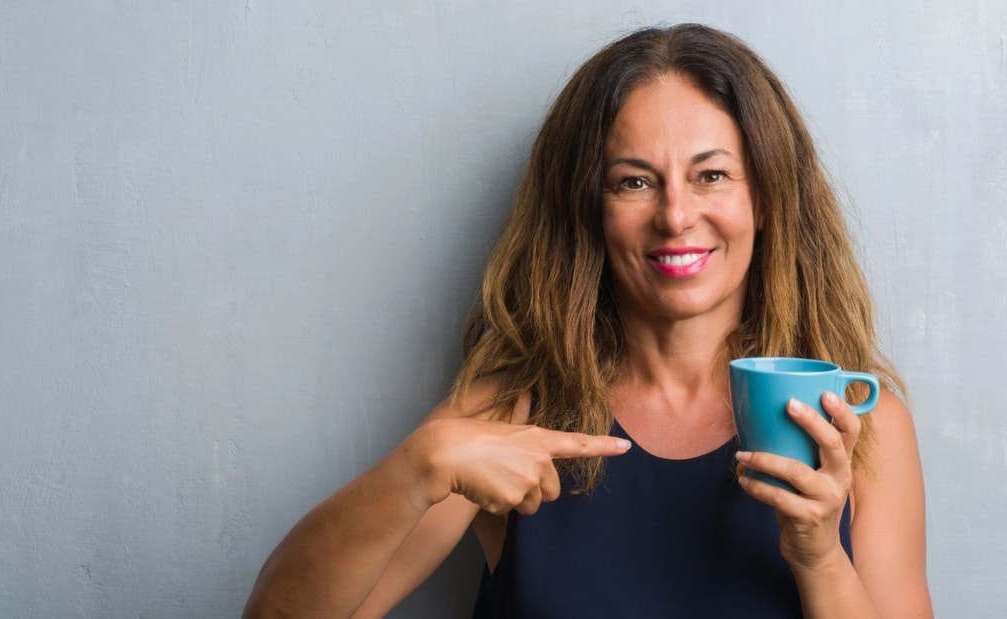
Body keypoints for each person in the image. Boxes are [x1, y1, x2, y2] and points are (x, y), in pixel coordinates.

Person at [243, 23, 932, 618]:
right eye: (633, 180)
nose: (676, 214)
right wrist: (417, 469)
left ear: (769, 197)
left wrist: (820, 559)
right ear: (589, 212)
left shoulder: (861, 425)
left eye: (712, 175)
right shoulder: (508, 410)